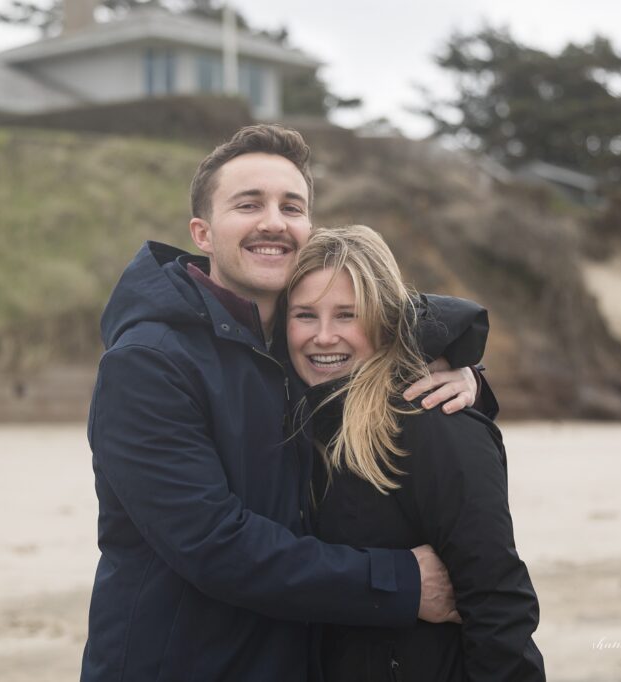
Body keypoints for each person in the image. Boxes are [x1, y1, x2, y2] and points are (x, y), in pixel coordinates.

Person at [82, 125, 486, 681]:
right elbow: (211, 542)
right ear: (203, 233)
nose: (274, 221)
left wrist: (466, 374)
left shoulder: (299, 344)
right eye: (249, 204)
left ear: (308, 230)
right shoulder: (147, 363)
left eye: (291, 207)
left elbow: (397, 314)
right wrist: (402, 583)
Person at [286, 225, 545, 681]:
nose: (324, 336)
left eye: (347, 315)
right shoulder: (297, 422)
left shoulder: (433, 423)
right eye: (305, 315)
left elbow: (499, 605)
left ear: (384, 321)